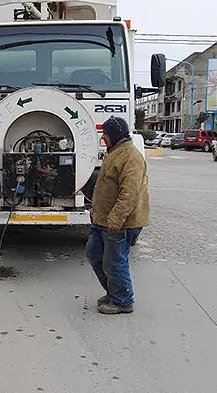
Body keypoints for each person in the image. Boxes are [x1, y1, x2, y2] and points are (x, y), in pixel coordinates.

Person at [86, 116, 150, 314]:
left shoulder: (131, 157)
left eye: (105, 134)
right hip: (102, 219)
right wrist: (95, 211)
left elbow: (129, 193)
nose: (102, 138)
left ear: (114, 134)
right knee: (94, 254)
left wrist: (116, 218)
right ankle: (114, 292)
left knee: (114, 262)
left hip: (119, 222)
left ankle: (122, 300)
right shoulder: (115, 152)